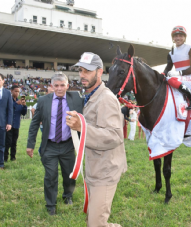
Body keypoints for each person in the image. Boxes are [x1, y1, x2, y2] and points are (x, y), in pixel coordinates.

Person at [67, 52, 127, 227]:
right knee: (93, 220)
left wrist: (81, 127)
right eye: (80, 70)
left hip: (105, 171)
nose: (82, 75)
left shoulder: (106, 98)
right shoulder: (91, 95)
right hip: (94, 168)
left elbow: (115, 136)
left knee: (95, 224)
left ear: (99, 72)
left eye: (87, 71)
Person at [26, 73, 84, 216]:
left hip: (68, 145)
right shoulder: (43, 100)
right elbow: (34, 123)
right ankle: (51, 204)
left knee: (69, 174)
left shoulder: (76, 98)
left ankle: (68, 196)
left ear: (67, 85)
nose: (59, 89)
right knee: (50, 175)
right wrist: (30, 144)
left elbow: (85, 116)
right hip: (49, 145)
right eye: (56, 85)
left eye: (62, 85)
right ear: (51, 86)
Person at [163, 25, 191, 109]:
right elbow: (168, 68)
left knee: (170, 79)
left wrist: (179, 73)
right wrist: (161, 74)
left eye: (180, 36)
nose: (178, 38)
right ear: (173, 38)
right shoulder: (170, 53)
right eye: (176, 36)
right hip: (180, 79)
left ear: (184, 37)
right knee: (163, 80)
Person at [4, 85, 27, 162]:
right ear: (11, 91)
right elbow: (7, 109)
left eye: (18, 91)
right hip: (8, 125)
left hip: (16, 125)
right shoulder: (8, 100)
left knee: (14, 142)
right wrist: (16, 103)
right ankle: (5, 158)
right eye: (15, 91)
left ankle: (13, 157)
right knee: (8, 142)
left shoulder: (19, 102)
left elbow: (23, 113)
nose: (17, 93)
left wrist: (24, 106)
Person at [31, 86, 54, 155]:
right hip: (43, 125)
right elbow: (33, 109)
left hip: (52, 124)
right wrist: (38, 120)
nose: (52, 94)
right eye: (51, 92)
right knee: (46, 138)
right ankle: (41, 151)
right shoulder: (43, 100)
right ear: (46, 93)